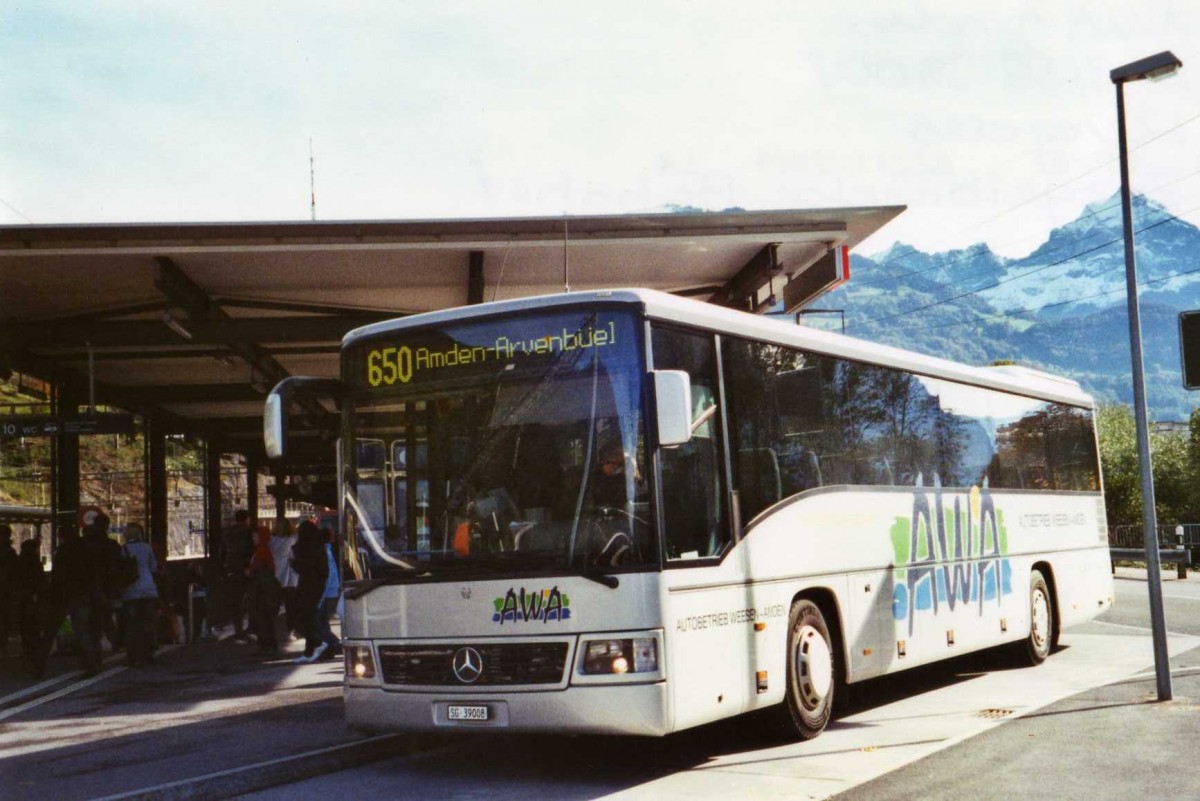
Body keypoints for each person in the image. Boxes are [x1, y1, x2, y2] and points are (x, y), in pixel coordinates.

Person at [120, 523, 159, 667]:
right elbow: (153, 567)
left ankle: (133, 654)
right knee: (147, 622)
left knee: (132, 624)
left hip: (131, 591)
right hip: (148, 588)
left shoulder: (123, 549)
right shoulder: (146, 547)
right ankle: (148, 652)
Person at [290, 520, 328, 664]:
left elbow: (301, 567)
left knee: (302, 617)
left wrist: (294, 564)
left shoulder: (301, 549)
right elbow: (323, 571)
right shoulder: (319, 547)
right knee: (311, 617)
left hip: (305, 586)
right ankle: (311, 648)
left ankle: (316, 644)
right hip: (316, 586)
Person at [220, 509, 254, 641]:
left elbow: (222, 551)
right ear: (247, 519)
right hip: (245, 569)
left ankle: (238, 629)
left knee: (236, 601)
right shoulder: (248, 531)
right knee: (250, 599)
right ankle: (249, 627)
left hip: (230, 569)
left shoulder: (227, 532)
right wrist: (247, 566)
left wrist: (224, 567)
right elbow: (250, 549)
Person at [247, 526, 281, 654]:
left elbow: (261, 571)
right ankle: (269, 644)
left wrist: (250, 572)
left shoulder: (262, 552)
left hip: (262, 591)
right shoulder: (263, 551)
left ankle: (266, 645)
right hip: (265, 590)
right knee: (266, 619)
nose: (253, 538)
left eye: (255, 536)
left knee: (262, 618)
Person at [311, 531, 342, 661]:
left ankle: (334, 643)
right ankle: (330, 647)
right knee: (323, 621)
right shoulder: (329, 551)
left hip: (328, 593)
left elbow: (327, 577)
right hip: (332, 592)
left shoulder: (325, 554)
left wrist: (320, 598)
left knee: (317, 622)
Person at [13, 536, 45, 660]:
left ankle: (27, 648)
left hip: (23, 596)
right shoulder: (34, 562)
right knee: (33, 624)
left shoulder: (20, 561)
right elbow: (40, 580)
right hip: (32, 596)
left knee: (25, 625)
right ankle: (34, 648)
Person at [269, 521, 299, 639]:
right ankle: (290, 631)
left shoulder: (271, 541)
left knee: (273, 606)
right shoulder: (292, 540)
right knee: (290, 606)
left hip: (274, 576)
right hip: (289, 578)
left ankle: (271, 631)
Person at [0, 524, 17, 657]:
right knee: (4, 620)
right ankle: (2, 646)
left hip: (5, 592)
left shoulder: (9, 553)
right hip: (7, 592)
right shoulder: (11, 553)